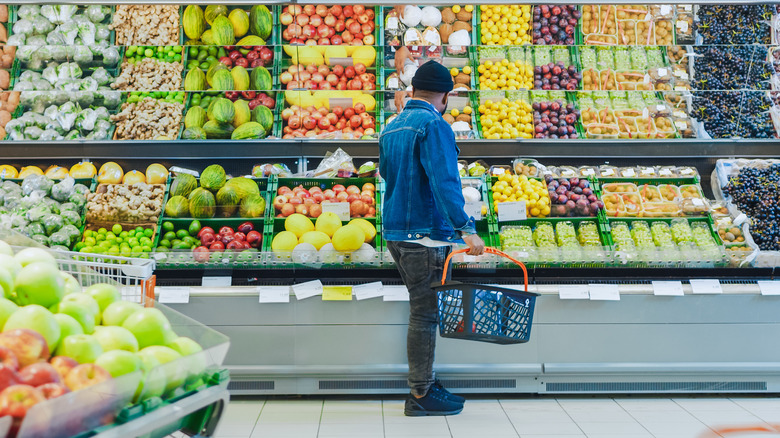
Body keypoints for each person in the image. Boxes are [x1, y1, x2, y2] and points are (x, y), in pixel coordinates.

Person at [379, 60, 486, 417]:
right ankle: (421, 393)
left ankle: (426, 382)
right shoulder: (434, 126)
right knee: (424, 315)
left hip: (397, 231)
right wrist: (466, 228)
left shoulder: (393, 126)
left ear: (415, 90)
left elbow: (386, 175)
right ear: (445, 95)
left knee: (422, 311)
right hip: (423, 235)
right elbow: (444, 182)